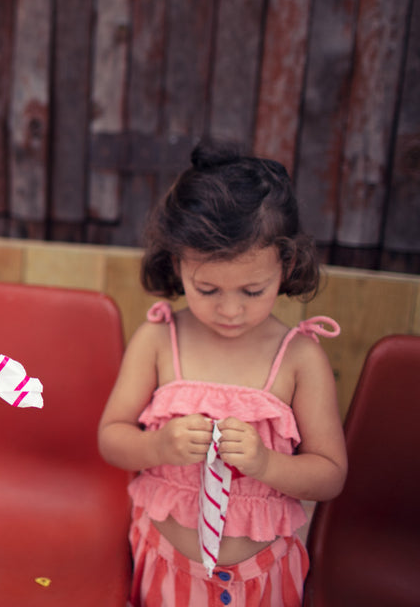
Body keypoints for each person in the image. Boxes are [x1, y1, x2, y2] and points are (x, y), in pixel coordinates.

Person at [97, 141, 347, 607]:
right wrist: (157, 445)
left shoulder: (299, 358)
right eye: (207, 288)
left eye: (253, 290)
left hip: (262, 579)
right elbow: (111, 437)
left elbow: (330, 475)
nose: (230, 310)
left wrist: (267, 465)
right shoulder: (158, 340)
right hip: (164, 566)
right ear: (177, 263)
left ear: (285, 266)